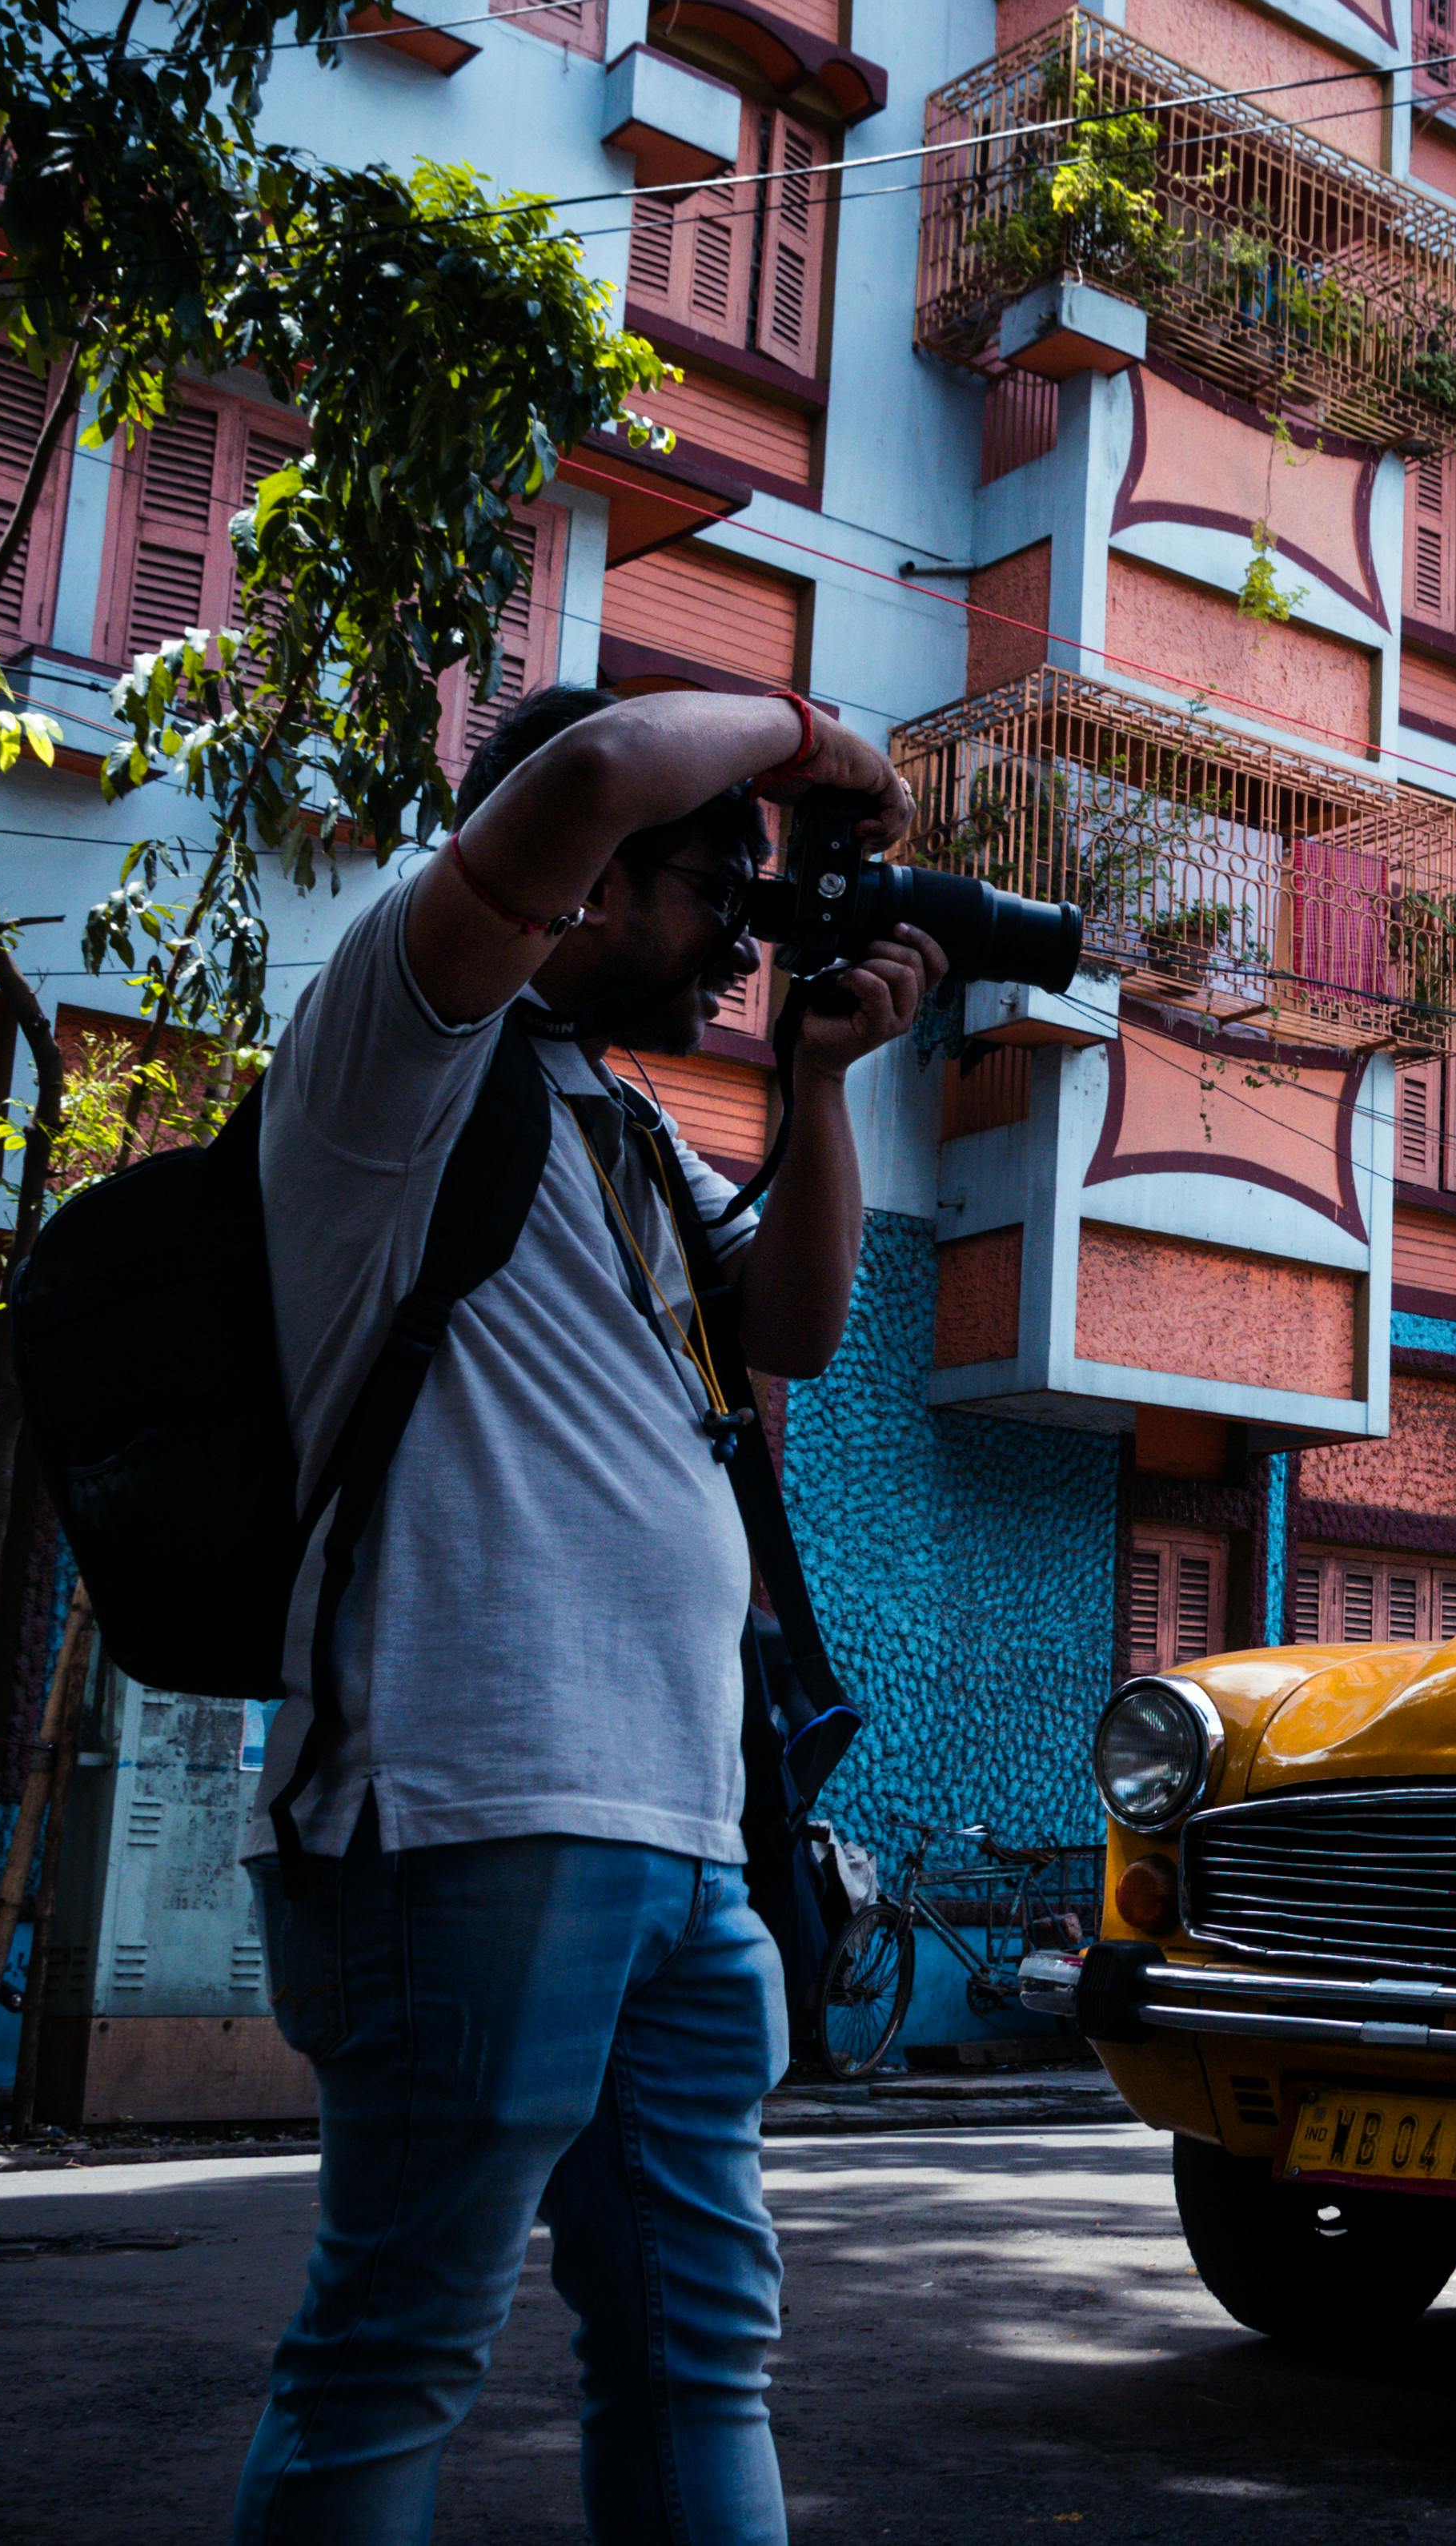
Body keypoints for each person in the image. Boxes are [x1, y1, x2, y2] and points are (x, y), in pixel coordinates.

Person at [230, 682, 947, 2544]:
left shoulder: (619, 1134)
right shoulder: (404, 1041)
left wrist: (818, 1083)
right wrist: (815, 740)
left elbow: (790, 1324)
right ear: (587, 881)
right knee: (399, 2346)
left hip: (681, 1837)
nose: (740, 935)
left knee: (699, 2349)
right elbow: (598, 767)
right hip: (464, 1811)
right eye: (719, 882)